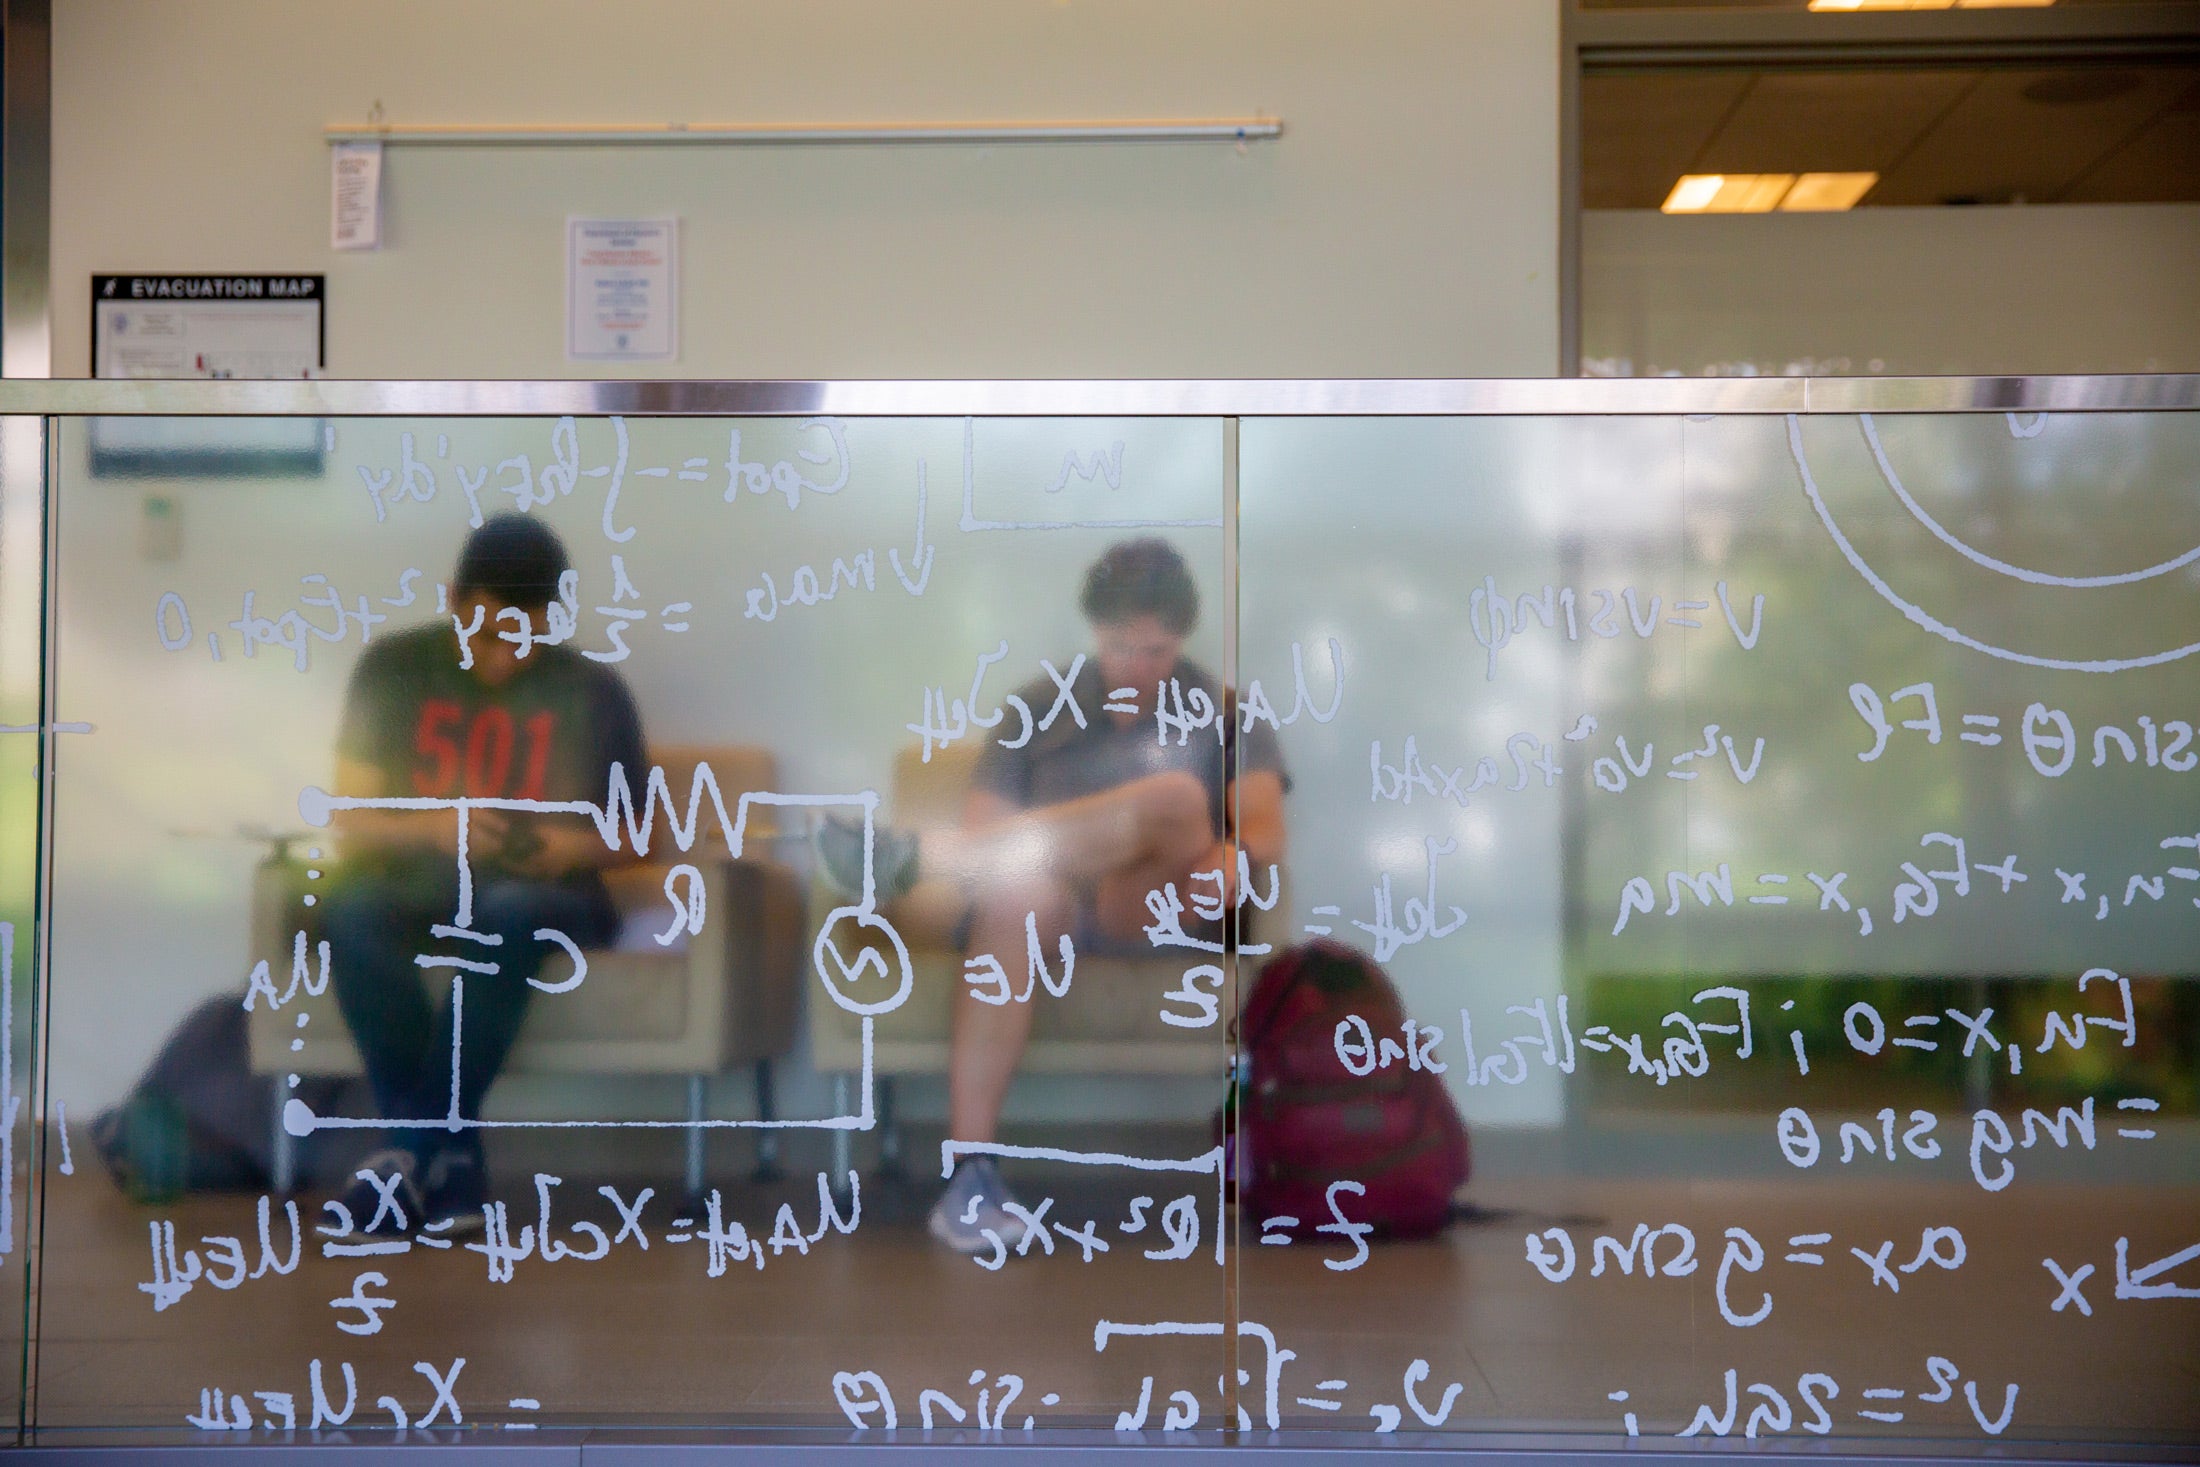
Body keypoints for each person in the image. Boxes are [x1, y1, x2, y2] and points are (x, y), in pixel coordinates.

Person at [821, 538, 1287, 1252]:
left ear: (1183, 638)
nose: (1140, 668)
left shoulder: (1229, 712)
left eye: (1158, 651)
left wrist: (1234, 849)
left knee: (1176, 794)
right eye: (1123, 647)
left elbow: (1263, 824)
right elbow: (993, 835)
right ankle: (971, 1180)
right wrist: (1061, 848)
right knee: (1018, 896)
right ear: (1096, 632)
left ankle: (924, 857)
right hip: (1056, 905)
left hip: (1164, 900)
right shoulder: (1038, 705)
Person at [322, 514, 644, 1234]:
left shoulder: (594, 691)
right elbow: (347, 815)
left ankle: (404, 1153)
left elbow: (641, 832)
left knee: (510, 910)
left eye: (523, 636)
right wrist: (434, 827)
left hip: (547, 892)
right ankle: (453, 1163)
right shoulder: (393, 667)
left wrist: (573, 847)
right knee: (347, 910)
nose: (503, 656)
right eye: (488, 631)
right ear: (452, 599)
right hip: (422, 880)